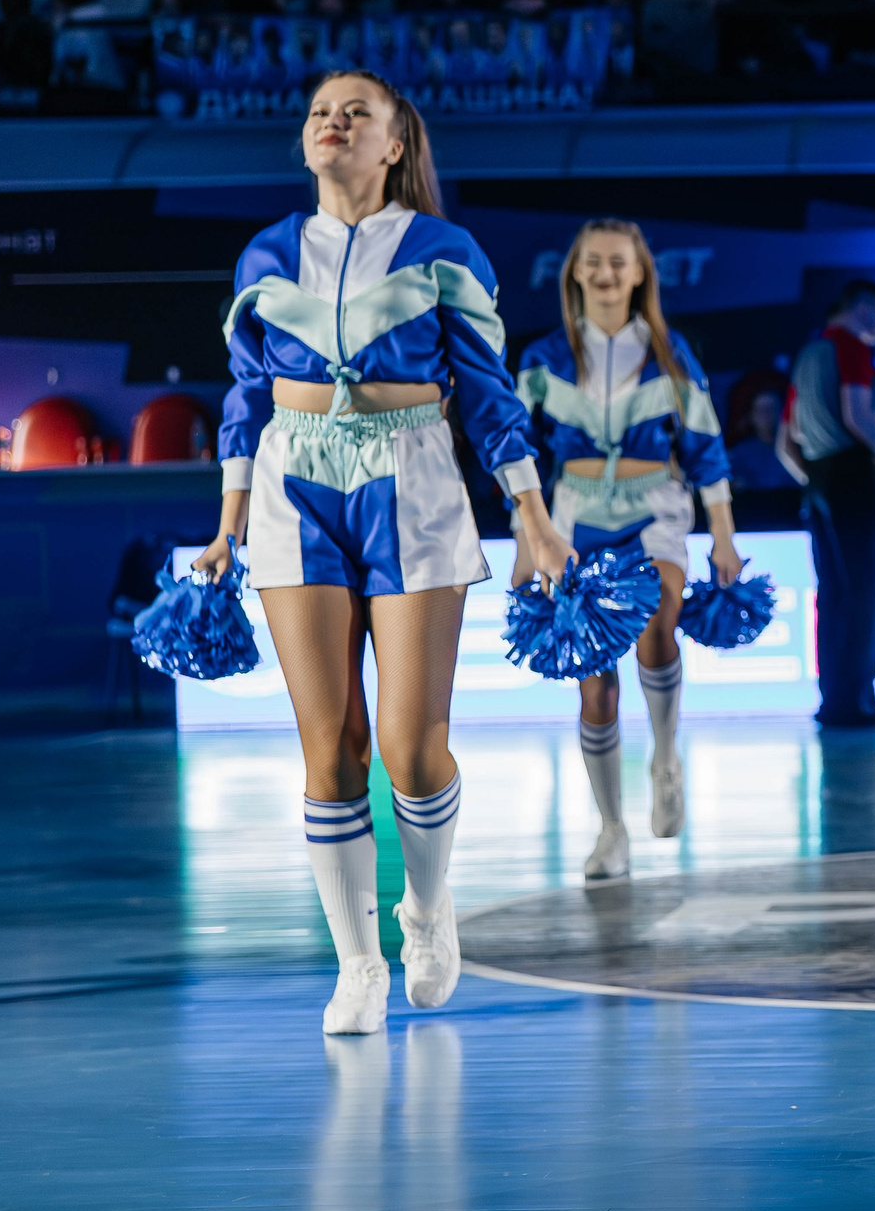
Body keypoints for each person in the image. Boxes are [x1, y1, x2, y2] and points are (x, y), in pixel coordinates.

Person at [199, 69, 568, 1035]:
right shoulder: (266, 253)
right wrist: (229, 518)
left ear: (395, 143)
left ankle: (429, 909)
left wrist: (531, 511)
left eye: (355, 113)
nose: (333, 123)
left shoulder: (445, 249)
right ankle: (357, 963)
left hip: (413, 475)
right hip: (292, 478)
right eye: (320, 113)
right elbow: (245, 391)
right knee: (330, 746)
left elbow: (487, 390)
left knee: (409, 745)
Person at [514, 220, 741, 881]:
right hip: (572, 519)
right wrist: (528, 538)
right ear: (574, 272)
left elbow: (706, 448)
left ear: (641, 273)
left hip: (654, 509)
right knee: (596, 688)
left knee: (660, 620)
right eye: (593, 262)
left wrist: (723, 535)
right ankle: (611, 828)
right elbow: (519, 456)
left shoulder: (671, 355)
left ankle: (665, 757)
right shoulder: (542, 358)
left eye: (619, 262)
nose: (606, 273)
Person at [786, 279, 875, 727]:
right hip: (850, 473)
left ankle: (836, 698)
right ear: (862, 309)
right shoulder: (848, 346)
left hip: (818, 478)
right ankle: (859, 698)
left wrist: (815, 478)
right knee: (865, 589)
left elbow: (788, 436)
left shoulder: (808, 355)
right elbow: (858, 416)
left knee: (832, 592)